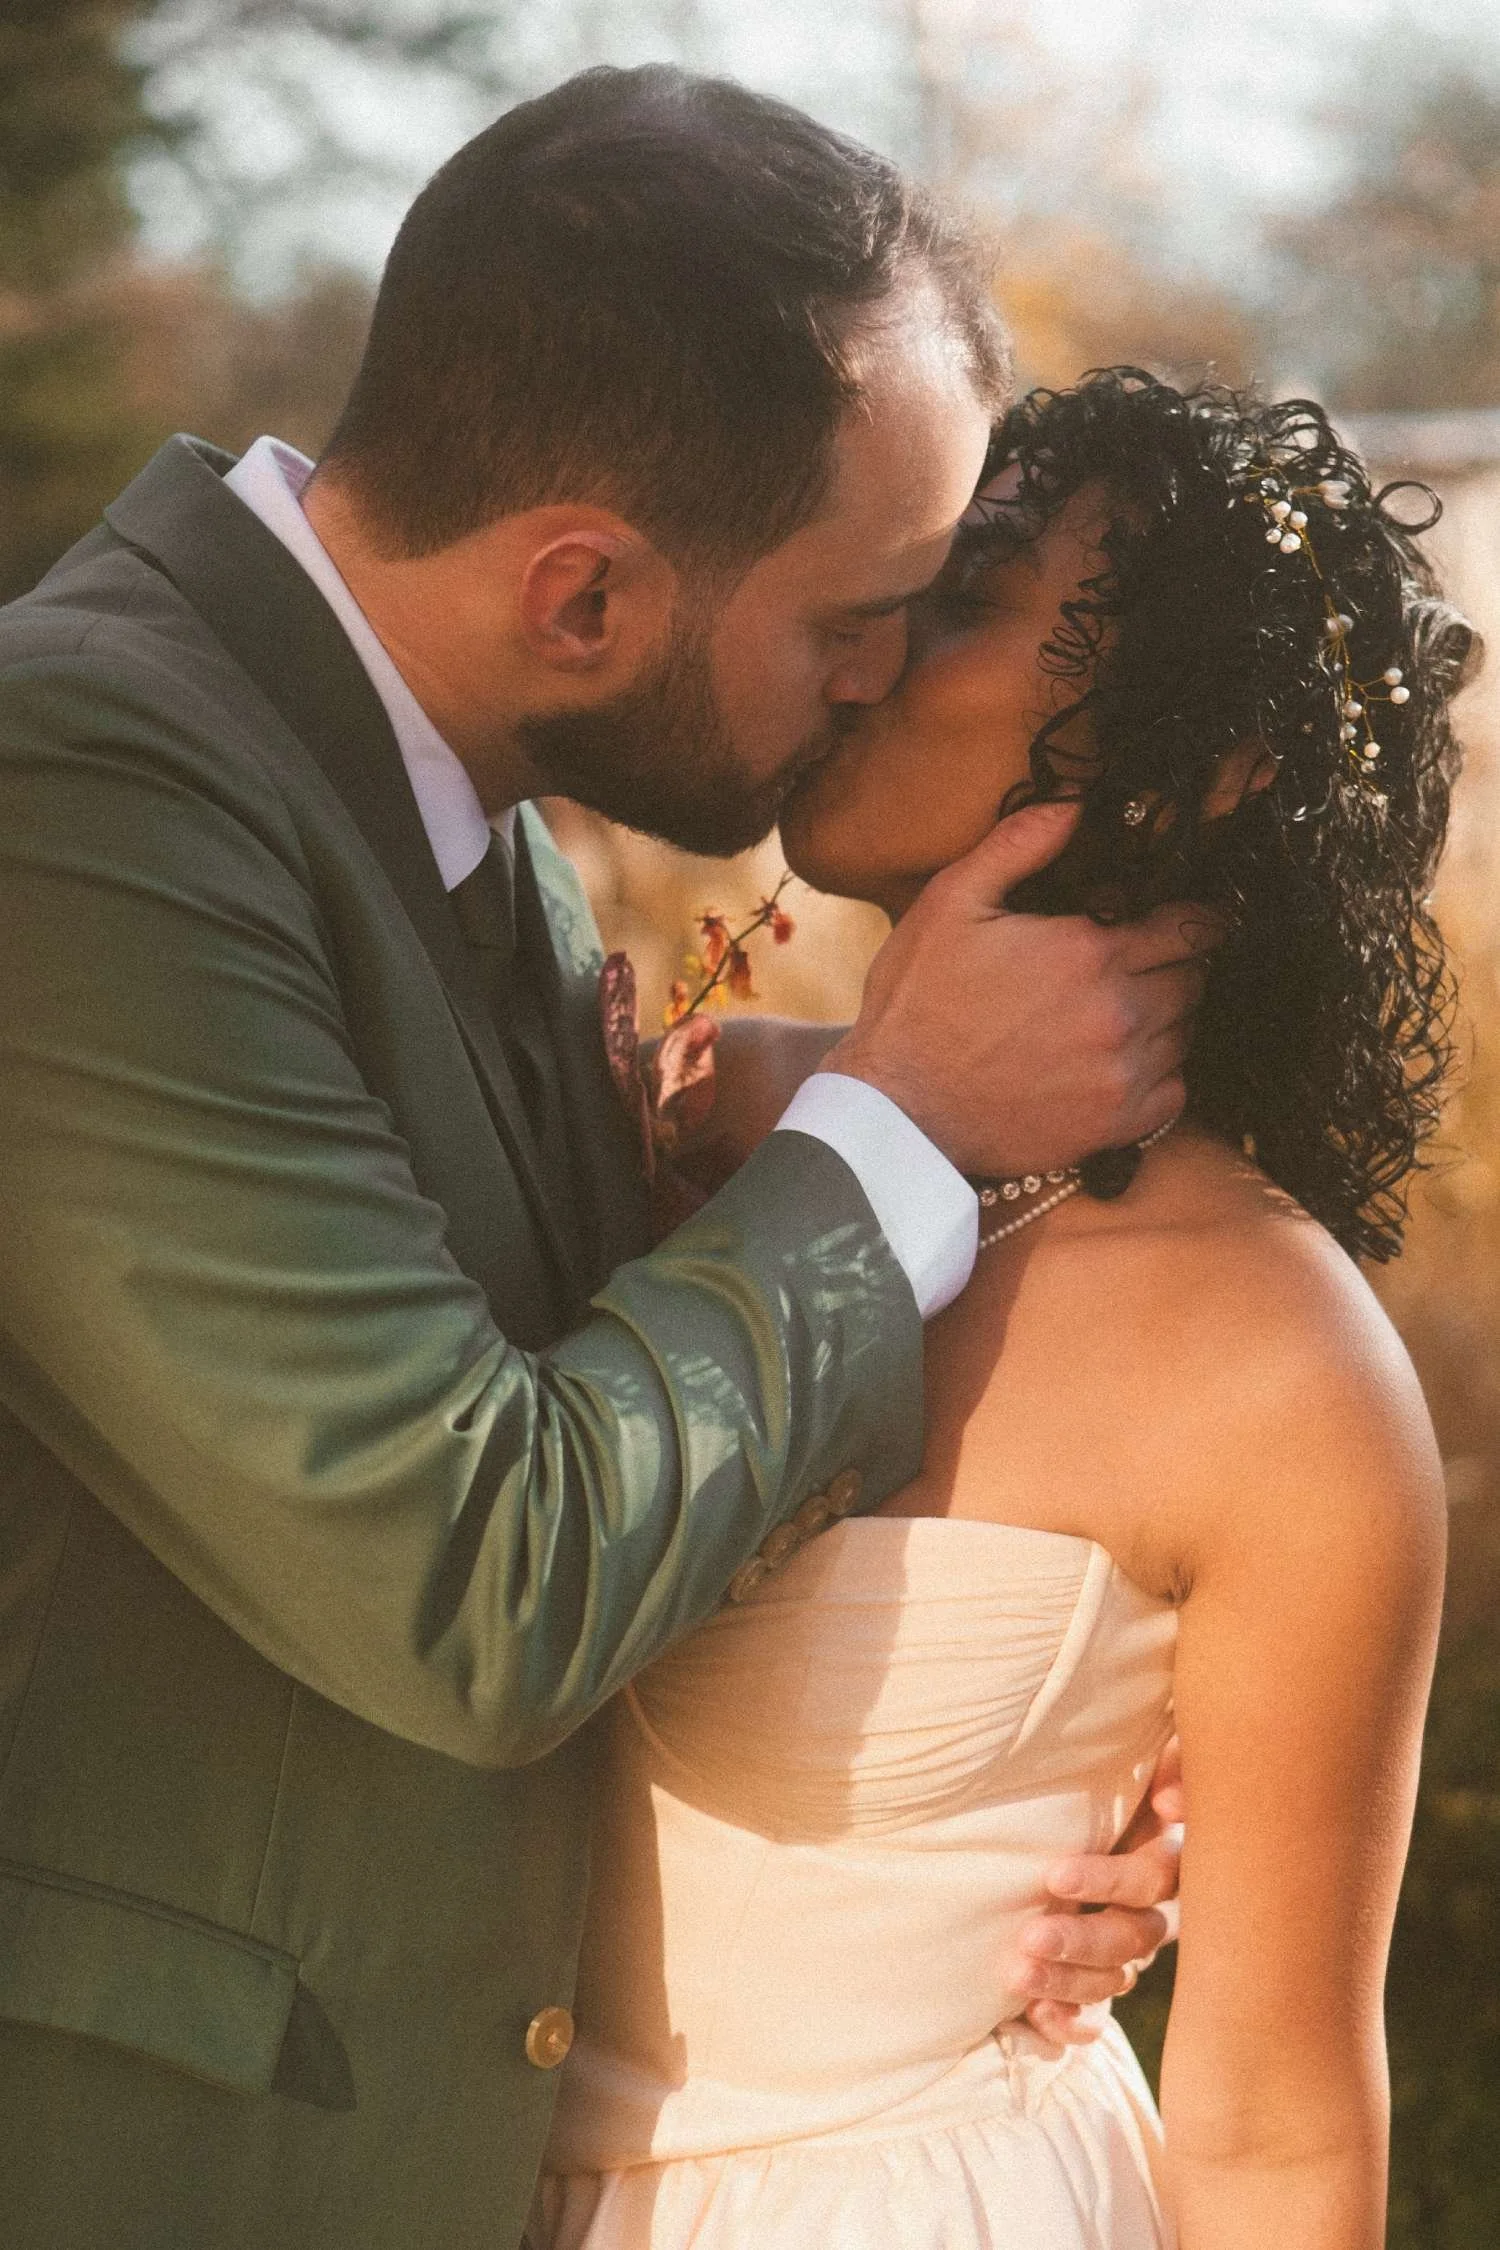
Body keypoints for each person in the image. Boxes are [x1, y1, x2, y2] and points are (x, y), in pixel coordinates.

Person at [0, 75, 1209, 2250]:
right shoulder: (76, 799)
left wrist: (1005, 1791)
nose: (874, 684)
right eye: (861, 612)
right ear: (582, 595)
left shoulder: (451, 800)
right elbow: (474, 1573)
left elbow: (626, 1426)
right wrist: (903, 1121)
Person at [534, 371, 1469, 2250]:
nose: (864, 657)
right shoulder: (648, 1124)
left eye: (964, 599)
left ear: (1207, 763)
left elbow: (1278, 2128)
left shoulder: (1275, 1363)